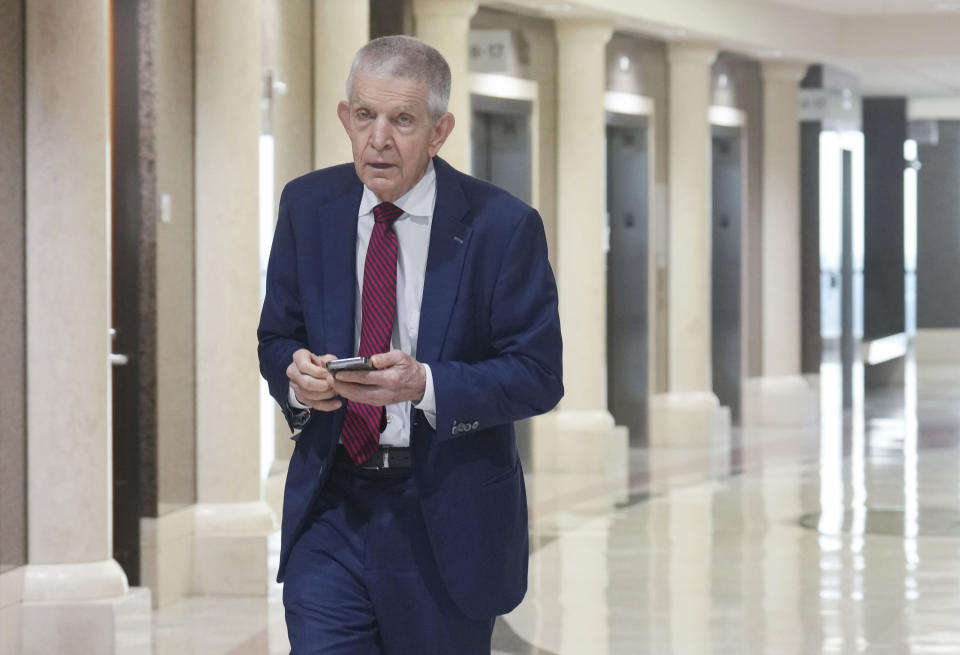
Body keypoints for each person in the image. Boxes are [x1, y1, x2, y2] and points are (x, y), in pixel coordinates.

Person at [257, 35, 562, 654]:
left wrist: (427, 385)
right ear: (346, 117)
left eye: (402, 120)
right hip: (331, 504)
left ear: (440, 130)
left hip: (444, 515)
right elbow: (276, 334)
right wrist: (295, 378)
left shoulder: (502, 227)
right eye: (365, 115)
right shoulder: (307, 205)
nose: (379, 139)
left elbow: (537, 372)